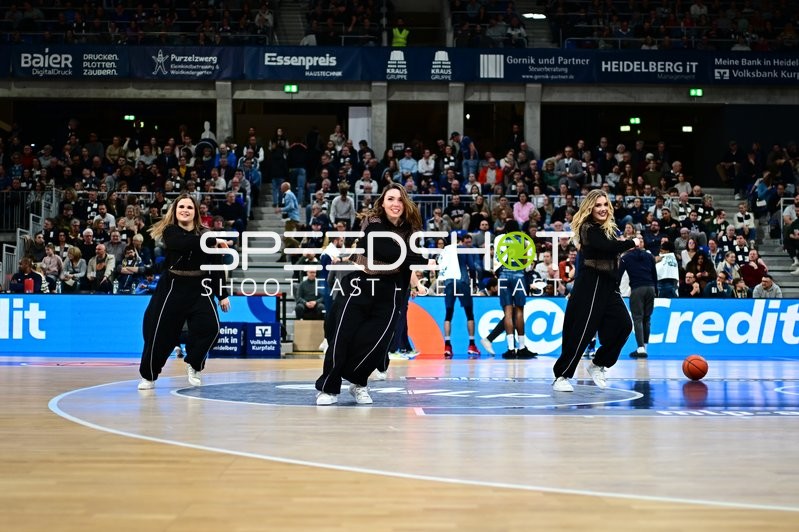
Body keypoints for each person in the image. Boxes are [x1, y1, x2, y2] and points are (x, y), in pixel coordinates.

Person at [315, 183, 429, 406]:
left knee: (377, 342)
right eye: (390, 199)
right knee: (342, 336)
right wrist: (416, 259)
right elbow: (383, 249)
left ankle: (359, 383)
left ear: (405, 204)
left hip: (392, 290)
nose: (395, 204)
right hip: (362, 284)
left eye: (399, 199)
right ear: (383, 202)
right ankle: (329, 388)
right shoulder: (373, 222)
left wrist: (413, 278)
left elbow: (405, 262)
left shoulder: (411, 230)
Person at [138, 194, 231, 391]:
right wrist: (212, 241)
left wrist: (222, 293)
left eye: (189, 207)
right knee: (158, 333)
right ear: (175, 210)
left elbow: (216, 265)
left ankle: (194, 364)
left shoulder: (207, 234)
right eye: (182, 206)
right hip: (172, 285)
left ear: (196, 211)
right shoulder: (170, 231)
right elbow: (181, 244)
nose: (185, 210)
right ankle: (149, 376)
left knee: (211, 329)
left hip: (200, 286)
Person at [552, 190, 639, 392]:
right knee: (582, 332)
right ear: (590, 208)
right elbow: (607, 247)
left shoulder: (608, 229)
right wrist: (631, 243)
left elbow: (610, 246)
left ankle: (598, 363)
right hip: (591, 283)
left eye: (605, 205)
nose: (602, 209)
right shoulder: (587, 228)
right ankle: (562, 376)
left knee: (624, 325)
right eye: (598, 205)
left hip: (609, 285)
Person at [618, 235, 658, 359]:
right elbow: (654, 274)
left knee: (638, 318)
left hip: (637, 289)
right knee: (647, 318)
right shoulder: (649, 256)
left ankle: (640, 348)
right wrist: (655, 289)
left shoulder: (626, 257)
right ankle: (645, 347)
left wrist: (614, 288)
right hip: (651, 288)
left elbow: (618, 275)